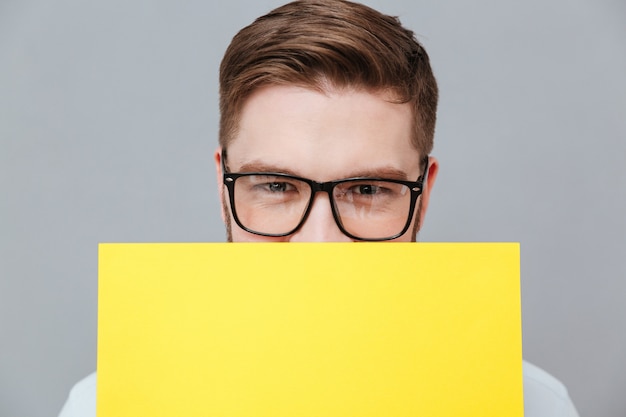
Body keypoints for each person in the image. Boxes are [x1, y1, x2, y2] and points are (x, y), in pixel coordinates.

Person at [58, 1, 579, 415]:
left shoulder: (535, 406)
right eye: (277, 186)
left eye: (370, 190)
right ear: (224, 188)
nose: (319, 244)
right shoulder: (103, 406)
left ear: (423, 197)